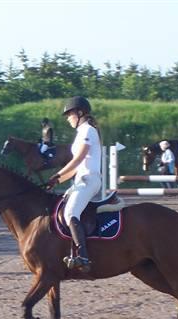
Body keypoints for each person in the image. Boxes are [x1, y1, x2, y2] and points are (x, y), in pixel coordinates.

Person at [47, 96, 102, 272]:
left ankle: (83, 256)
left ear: (79, 113)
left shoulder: (88, 131)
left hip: (90, 179)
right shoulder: (81, 133)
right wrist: (56, 181)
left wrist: (58, 174)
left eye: (70, 114)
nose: (68, 118)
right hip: (81, 179)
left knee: (71, 212)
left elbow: (78, 160)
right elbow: (75, 167)